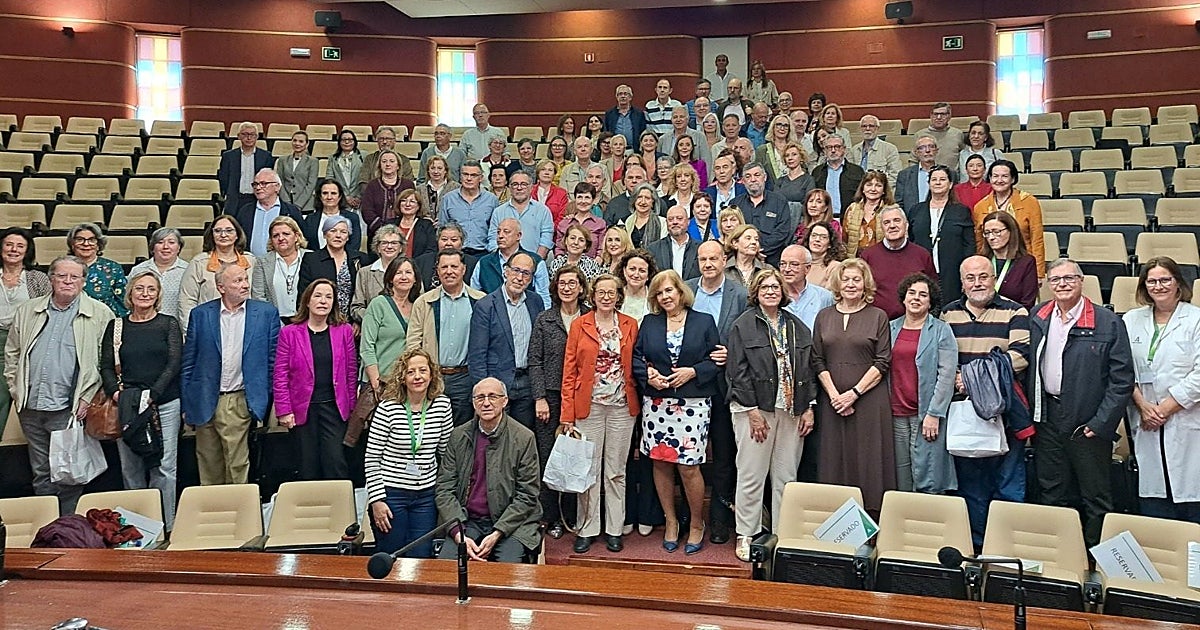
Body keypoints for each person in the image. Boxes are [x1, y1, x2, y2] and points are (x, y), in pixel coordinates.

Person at [1028, 258, 1134, 546]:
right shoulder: (1038, 316)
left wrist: (1099, 423)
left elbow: (1122, 380)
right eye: (1056, 279)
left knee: (1095, 497)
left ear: (1081, 281)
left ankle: (1093, 562)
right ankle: (1059, 557)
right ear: (1048, 285)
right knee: (1051, 492)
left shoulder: (1107, 321)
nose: (1062, 284)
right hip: (1047, 417)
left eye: (1069, 278)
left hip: (1087, 424)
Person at [5, 256, 113, 514]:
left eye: (74, 277)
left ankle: (67, 528)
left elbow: (106, 363)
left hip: (69, 408)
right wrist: (15, 387)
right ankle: (46, 526)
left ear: (83, 281)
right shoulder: (27, 310)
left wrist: (87, 397)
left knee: (67, 474)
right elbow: (12, 352)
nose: (67, 281)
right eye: (61, 276)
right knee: (41, 471)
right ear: (51, 279)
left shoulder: (100, 313)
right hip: (30, 406)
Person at [940, 255, 1032, 547]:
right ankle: (978, 548)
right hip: (962, 412)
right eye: (971, 278)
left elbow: (1019, 357)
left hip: (1004, 412)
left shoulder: (1015, 312)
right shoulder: (948, 314)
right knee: (971, 488)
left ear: (994, 278)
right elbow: (942, 357)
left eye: (984, 276)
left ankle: (1007, 549)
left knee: (1009, 485)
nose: (978, 283)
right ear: (962, 283)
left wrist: (970, 378)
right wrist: (959, 377)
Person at [726, 268, 817, 561]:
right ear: (756, 292)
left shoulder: (797, 326)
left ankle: (782, 533)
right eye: (764, 287)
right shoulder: (743, 325)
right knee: (752, 475)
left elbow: (809, 369)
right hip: (755, 411)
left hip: (792, 411)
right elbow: (736, 372)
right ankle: (746, 534)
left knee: (786, 476)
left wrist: (809, 408)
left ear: (783, 291)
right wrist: (752, 412)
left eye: (775, 287)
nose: (770, 291)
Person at [634, 270, 721, 554]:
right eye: (659, 293)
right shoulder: (649, 323)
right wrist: (648, 374)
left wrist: (693, 371)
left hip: (693, 404)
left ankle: (697, 524)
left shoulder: (703, 321)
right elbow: (636, 357)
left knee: (688, 466)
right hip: (658, 403)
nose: (665, 297)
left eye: (669, 290)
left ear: (681, 292)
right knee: (660, 462)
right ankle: (671, 521)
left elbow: (716, 360)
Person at [561, 273, 640, 553]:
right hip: (588, 407)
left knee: (616, 472)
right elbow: (569, 372)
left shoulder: (631, 325)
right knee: (588, 471)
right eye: (601, 292)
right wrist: (566, 416)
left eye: (611, 292)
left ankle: (614, 529)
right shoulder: (580, 325)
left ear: (619, 296)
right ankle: (587, 527)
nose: (606, 297)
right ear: (592, 296)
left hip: (622, 407)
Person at [180, 262, 280, 485]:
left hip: (240, 398)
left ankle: (239, 513)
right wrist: (188, 404)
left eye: (245, 279)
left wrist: (265, 398)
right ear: (221, 286)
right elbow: (189, 362)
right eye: (238, 281)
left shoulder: (265, 314)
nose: (245, 285)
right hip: (205, 397)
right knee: (208, 463)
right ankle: (214, 514)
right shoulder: (201, 314)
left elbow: (273, 361)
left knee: (237, 463)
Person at [99, 270, 183, 529]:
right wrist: (115, 392)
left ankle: (164, 527)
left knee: (164, 466)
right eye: (139, 289)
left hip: (164, 403)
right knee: (130, 467)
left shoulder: (168, 323)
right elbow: (105, 366)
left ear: (158, 295)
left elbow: (174, 363)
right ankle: (137, 527)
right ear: (130, 294)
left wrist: (154, 394)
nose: (145, 294)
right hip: (127, 404)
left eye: (151, 289)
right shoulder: (117, 326)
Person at [813, 258, 895, 514]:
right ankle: (834, 524)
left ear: (865, 284)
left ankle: (871, 524)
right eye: (846, 279)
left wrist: (854, 393)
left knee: (868, 460)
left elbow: (883, 361)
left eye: (856, 280)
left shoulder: (878, 316)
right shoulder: (824, 316)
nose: (850, 284)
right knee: (833, 459)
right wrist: (835, 395)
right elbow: (817, 358)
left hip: (869, 401)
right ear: (838, 283)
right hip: (832, 401)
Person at [1123, 257, 1200, 524]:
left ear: (1178, 283)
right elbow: (1122, 369)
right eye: (1152, 281)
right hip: (1145, 419)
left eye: (1165, 279)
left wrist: (1164, 409)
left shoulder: (1196, 318)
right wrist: (1144, 407)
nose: (1159, 286)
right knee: (1154, 502)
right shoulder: (1131, 320)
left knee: (1189, 500)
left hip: (1186, 419)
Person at [435, 377, 542, 563]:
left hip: (512, 522)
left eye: (492, 396)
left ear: (505, 401)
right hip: (467, 520)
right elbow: (444, 489)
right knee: (446, 569)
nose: (486, 403)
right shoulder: (458, 436)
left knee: (506, 573)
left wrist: (497, 533)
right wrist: (458, 533)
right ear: (473, 402)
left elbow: (528, 494)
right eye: (480, 397)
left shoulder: (524, 438)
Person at [685, 240, 748, 543]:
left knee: (724, 454)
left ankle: (720, 519)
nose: (708, 264)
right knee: (687, 455)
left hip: (725, 385)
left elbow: (748, 334)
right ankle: (688, 516)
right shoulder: (686, 290)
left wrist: (731, 353)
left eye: (714, 258)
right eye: (703, 259)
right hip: (689, 385)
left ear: (725, 260)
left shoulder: (740, 294)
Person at [365, 347, 453, 557]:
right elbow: (371, 458)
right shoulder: (388, 407)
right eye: (411, 372)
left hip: (426, 495)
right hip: (391, 494)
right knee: (393, 555)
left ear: (431, 375)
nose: (417, 377)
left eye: (423, 370)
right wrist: (376, 500)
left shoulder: (442, 405)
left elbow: (447, 454)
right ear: (402, 377)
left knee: (421, 556)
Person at [273, 279, 358, 480]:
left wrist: (352, 408)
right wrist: (284, 410)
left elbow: (351, 371)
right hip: (303, 409)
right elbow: (280, 374)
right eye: (318, 296)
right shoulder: (289, 333)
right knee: (306, 465)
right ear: (308, 301)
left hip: (335, 409)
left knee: (335, 462)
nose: (323, 301)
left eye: (329, 297)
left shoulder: (344, 331)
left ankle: (339, 509)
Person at [529, 264, 589, 539]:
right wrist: (539, 397)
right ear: (556, 287)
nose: (567, 288)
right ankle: (550, 516)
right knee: (550, 456)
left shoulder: (590, 317)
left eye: (572, 283)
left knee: (578, 457)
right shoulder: (545, 319)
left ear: (580, 288)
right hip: (551, 398)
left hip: (583, 397)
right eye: (562, 283)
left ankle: (577, 516)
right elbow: (535, 361)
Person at [888, 273, 958, 494]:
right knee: (902, 476)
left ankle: (926, 523)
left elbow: (947, 375)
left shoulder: (941, 330)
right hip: (895, 413)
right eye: (912, 293)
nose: (916, 298)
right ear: (904, 297)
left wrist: (934, 413)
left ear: (930, 302)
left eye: (923, 295)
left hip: (926, 414)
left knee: (928, 476)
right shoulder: (890, 327)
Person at [407, 249, 486, 427]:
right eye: (444, 267)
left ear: (464, 269)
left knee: (461, 432)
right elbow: (413, 343)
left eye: (454, 266)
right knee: (429, 428)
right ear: (437, 271)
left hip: (464, 378)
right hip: (433, 376)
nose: (449, 271)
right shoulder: (424, 302)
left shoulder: (480, 301)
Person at [468, 251, 545, 431]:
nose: (519, 277)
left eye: (526, 273)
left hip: (527, 383)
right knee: (495, 438)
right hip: (497, 384)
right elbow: (477, 355)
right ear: (506, 271)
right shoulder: (486, 305)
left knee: (522, 437)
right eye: (516, 270)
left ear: (531, 278)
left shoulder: (535, 302)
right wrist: (484, 393)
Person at [0, 228, 51, 437]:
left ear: (27, 251)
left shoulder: (37, 278)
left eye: (20, 246)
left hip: (27, 341)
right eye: (9, 244)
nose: (14, 249)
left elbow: (50, 310)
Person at [178, 215, 256, 334]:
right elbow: (187, 300)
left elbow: (258, 296)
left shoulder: (251, 261)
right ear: (212, 235)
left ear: (237, 235)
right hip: (208, 328)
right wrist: (193, 330)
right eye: (218, 231)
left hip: (246, 327)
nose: (223, 235)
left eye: (229, 230)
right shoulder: (199, 262)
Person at [909, 165, 976, 303]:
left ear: (951, 184)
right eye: (934, 179)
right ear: (928, 183)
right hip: (922, 272)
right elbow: (911, 241)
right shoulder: (916, 210)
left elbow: (969, 245)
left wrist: (967, 275)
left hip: (953, 274)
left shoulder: (961, 211)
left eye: (942, 179)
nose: (938, 182)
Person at [972, 159, 1045, 281]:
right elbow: (980, 242)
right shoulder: (980, 206)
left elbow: (1037, 239)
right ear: (989, 178)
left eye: (1004, 176)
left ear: (1013, 179)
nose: (999, 180)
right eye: (995, 176)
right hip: (992, 264)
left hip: (1022, 262)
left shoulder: (1029, 202)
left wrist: (1038, 272)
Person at [360, 255, 421, 400]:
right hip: (381, 381)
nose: (403, 277)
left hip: (409, 382)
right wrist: (376, 383)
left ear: (415, 279)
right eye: (398, 273)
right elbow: (367, 346)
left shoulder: (420, 306)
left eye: (408, 272)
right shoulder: (378, 304)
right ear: (390, 278)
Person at [859, 207, 937, 320]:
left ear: (906, 225)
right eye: (886, 222)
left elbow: (933, 291)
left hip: (915, 324)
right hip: (878, 324)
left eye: (897, 220)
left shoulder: (922, 255)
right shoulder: (868, 256)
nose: (892, 226)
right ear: (882, 228)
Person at [298, 215, 372, 314]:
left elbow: (366, 294)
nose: (338, 235)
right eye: (333, 231)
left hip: (352, 321)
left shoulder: (360, 259)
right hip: (321, 318)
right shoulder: (311, 259)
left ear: (348, 237)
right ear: (325, 234)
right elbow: (304, 293)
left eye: (343, 232)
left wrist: (359, 320)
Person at [470, 218, 551, 306]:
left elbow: (544, 297)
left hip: (525, 313)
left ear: (518, 236)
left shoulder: (535, 261)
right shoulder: (484, 263)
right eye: (498, 232)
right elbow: (474, 294)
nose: (500, 236)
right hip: (491, 315)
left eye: (506, 232)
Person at [233, 167, 306, 260]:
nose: (258, 187)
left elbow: (300, 239)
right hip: (250, 262)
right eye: (255, 184)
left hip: (281, 263)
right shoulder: (244, 211)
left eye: (263, 184)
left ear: (277, 187)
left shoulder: (291, 211)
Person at [731, 162, 792, 266]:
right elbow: (731, 232)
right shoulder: (735, 204)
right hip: (741, 261)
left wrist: (759, 249)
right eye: (748, 176)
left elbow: (782, 232)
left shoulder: (779, 201)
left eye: (757, 175)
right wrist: (750, 250)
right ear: (743, 181)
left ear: (765, 177)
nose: (753, 179)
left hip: (772, 261)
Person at [250, 216, 309, 321]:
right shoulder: (262, 262)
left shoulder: (311, 257)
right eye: (275, 236)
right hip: (275, 321)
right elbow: (259, 297)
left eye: (286, 234)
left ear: (296, 236)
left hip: (307, 321)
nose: (281, 238)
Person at [978, 211, 1039, 310]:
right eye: (987, 233)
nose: (991, 237)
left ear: (1011, 231)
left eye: (996, 232)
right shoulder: (980, 261)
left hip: (1013, 319)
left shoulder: (1026, 262)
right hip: (982, 318)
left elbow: (1027, 303)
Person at [437, 160, 499, 256]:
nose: (469, 178)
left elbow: (495, 229)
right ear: (460, 177)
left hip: (483, 252)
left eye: (473, 175)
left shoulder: (491, 200)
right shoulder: (448, 199)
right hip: (455, 253)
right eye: (465, 174)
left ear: (481, 178)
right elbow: (442, 227)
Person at [349, 225, 407, 324]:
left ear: (401, 247)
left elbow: (418, 303)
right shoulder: (364, 273)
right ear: (378, 248)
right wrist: (377, 318)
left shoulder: (410, 271)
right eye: (384, 243)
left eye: (394, 243)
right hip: (373, 330)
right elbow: (356, 308)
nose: (389, 246)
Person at [67, 223, 127, 317]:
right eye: (80, 239)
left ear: (98, 244)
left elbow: (122, 301)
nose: (86, 244)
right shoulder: (62, 267)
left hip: (105, 319)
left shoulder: (113, 268)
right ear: (72, 244)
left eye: (91, 240)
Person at [128, 228, 189, 320]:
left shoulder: (188, 271)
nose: (165, 247)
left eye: (171, 242)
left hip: (176, 326)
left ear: (179, 247)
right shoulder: (138, 270)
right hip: (143, 324)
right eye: (160, 242)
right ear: (152, 247)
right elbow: (129, 299)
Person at [218, 121, 273, 213]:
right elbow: (224, 178)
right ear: (239, 136)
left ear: (257, 137)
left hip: (256, 199)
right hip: (235, 199)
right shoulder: (229, 156)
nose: (249, 138)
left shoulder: (265, 156)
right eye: (245, 134)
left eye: (252, 134)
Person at [360, 150, 416, 239]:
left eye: (392, 161)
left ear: (398, 166)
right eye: (384, 161)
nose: (388, 164)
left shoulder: (408, 185)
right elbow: (367, 210)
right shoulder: (372, 185)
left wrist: (400, 226)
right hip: (377, 233)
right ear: (379, 165)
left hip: (403, 232)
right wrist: (381, 228)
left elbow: (413, 207)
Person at [302, 178, 363, 259]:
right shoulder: (310, 219)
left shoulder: (352, 218)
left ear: (340, 196)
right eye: (325, 193)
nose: (329, 197)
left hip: (344, 262)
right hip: (315, 263)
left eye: (333, 193)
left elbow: (354, 245)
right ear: (320, 196)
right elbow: (307, 244)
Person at [842, 170, 898, 257]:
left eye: (878, 186)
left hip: (882, 261)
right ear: (863, 189)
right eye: (869, 185)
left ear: (884, 190)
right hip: (855, 262)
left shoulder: (893, 210)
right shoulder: (852, 209)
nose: (873, 189)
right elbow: (845, 240)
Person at [780, 244, 834, 331]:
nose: (786, 269)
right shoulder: (774, 297)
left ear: (807, 268)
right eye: (783, 264)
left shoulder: (824, 297)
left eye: (794, 264)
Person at [810, 134, 865, 216]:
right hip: (824, 218)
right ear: (824, 150)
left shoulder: (857, 171)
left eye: (837, 147)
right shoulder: (817, 172)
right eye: (829, 147)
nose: (833, 150)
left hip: (850, 218)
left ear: (844, 149)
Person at [646, 204, 701, 281]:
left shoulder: (700, 248)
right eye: (671, 219)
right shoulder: (653, 249)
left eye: (679, 218)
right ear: (666, 223)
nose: (675, 222)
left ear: (688, 222)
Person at [358, 126, 415, 196]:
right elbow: (363, 183)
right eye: (381, 139)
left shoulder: (404, 160)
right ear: (377, 141)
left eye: (388, 139)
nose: (384, 142)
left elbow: (408, 185)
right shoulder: (369, 159)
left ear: (394, 141)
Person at [555, 183, 607, 259]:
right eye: (580, 197)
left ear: (593, 200)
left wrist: (594, 265)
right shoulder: (564, 223)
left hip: (591, 267)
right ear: (575, 199)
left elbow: (601, 250)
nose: (583, 201)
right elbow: (559, 249)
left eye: (587, 197)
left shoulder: (600, 224)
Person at [849, 115, 902, 188]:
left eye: (871, 126)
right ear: (861, 129)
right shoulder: (854, 150)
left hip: (880, 192)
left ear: (877, 129)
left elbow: (895, 175)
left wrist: (877, 188)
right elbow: (849, 175)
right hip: (858, 192)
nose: (867, 129)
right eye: (864, 126)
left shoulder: (890, 149)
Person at [894, 134, 940, 217]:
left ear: (937, 150)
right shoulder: (905, 175)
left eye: (931, 146)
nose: (927, 150)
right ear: (916, 152)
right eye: (922, 147)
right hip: (911, 222)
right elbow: (899, 203)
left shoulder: (949, 174)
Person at [276, 130, 319, 213]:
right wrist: (287, 202)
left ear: (307, 144)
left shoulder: (313, 161)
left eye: (301, 141)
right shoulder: (282, 160)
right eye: (294, 140)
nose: (297, 143)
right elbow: (279, 181)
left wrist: (298, 205)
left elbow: (311, 185)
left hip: (305, 206)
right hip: (285, 203)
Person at [918, 102, 967, 170]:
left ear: (949, 116)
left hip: (952, 177)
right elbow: (913, 160)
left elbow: (964, 158)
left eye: (943, 114)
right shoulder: (920, 135)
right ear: (931, 116)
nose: (939, 117)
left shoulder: (957, 134)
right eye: (935, 114)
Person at [724, 224, 770, 290]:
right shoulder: (724, 270)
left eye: (756, 239)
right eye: (748, 238)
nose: (754, 242)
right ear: (735, 243)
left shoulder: (767, 270)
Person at [395, 188, 437, 260]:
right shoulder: (390, 224)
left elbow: (431, 249)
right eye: (403, 201)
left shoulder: (426, 225)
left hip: (418, 266)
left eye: (412, 201)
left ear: (418, 206)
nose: (407, 204)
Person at [616, 249, 656, 325]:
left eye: (642, 271)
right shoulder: (615, 296)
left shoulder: (655, 299)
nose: (636, 275)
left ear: (648, 275)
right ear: (624, 271)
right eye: (632, 269)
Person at [328, 129, 364, 209]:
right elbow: (330, 178)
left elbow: (366, 178)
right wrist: (345, 196)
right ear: (339, 142)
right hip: (340, 200)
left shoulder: (363, 156)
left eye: (350, 140)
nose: (347, 142)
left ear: (355, 141)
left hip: (359, 201)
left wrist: (359, 197)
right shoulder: (333, 158)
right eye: (344, 140)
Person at [622, 183, 666, 249]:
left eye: (647, 198)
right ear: (634, 201)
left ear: (653, 202)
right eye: (639, 197)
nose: (643, 202)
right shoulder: (624, 222)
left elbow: (663, 247)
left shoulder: (663, 223)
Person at [805, 221, 845, 289]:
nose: (817, 239)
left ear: (829, 244)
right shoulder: (801, 264)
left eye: (823, 237)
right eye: (814, 235)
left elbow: (828, 297)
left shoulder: (834, 267)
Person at [532, 159, 570, 224]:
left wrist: (549, 229)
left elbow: (562, 217)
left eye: (550, 170)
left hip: (553, 231)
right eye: (543, 169)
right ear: (538, 173)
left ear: (554, 174)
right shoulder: (529, 191)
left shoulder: (561, 193)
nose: (546, 173)